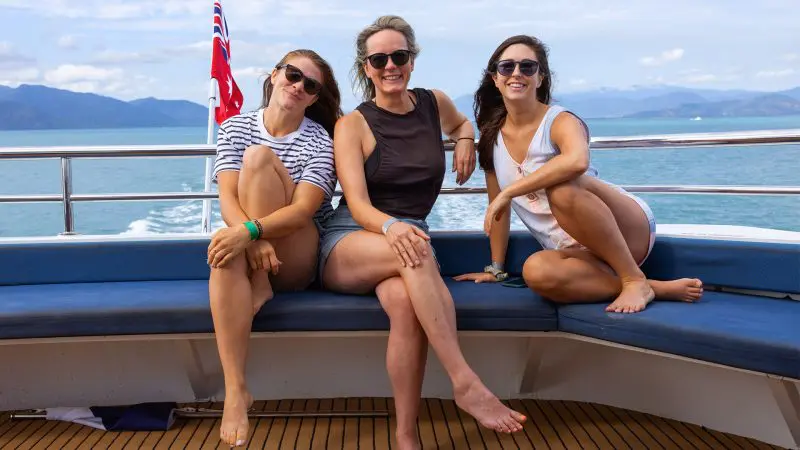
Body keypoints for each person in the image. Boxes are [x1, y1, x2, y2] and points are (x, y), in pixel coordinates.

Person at [319, 15, 526, 449]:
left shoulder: (433, 102)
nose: (390, 65)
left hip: (408, 241)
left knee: (405, 308)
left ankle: (405, 436)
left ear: (412, 60)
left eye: (400, 56)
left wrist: (466, 139)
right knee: (413, 250)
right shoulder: (351, 125)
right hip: (353, 239)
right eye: (379, 59)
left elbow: (460, 125)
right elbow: (356, 203)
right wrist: (392, 226)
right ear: (366, 66)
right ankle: (465, 382)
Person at [455, 35, 703, 313]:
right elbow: (496, 210)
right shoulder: (492, 140)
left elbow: (577, 161)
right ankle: (652, 286)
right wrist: (496, 268)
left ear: (541, 78)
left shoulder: (560, 121)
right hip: (576, 254)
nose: (516, 73)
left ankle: (632, 276)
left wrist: (511, 191)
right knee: (535, 271)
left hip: (624, 231)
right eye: (507, 67)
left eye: (527, 67)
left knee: (562, 188)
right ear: (495, 78)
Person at [206, 49, 342, 447]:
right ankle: (235, 391)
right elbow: (227, 198)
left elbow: (303, 211)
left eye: (309, 84)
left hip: (297, 253)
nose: (298, 86)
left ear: (316, 97)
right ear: (274, 74)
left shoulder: (321, 140)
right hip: (254, 244)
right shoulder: (235, 127)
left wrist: (251, 232)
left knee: (259, 157)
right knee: (223, 256)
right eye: (293, 74)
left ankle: (262, 276)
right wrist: (252, 238)